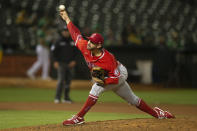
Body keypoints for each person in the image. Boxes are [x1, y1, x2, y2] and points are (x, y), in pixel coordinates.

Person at [59, 6, 175, 126]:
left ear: (98, 45)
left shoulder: (107, 58)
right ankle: (159, 114)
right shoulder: (85, 46)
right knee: (133, 100)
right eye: (89, 40)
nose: (89, 42)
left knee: (96, 87)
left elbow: (115, 77)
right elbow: (75, 34)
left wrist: (102, 80)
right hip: (107, 74)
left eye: (92, 42)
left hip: (119, 74)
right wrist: (67, 19)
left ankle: (79, 118)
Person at [51, 26, 78, 104]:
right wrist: (55, 61)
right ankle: (57, 97)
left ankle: (66, 98)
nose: (65, 32)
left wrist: (74, 61)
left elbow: (77, 53)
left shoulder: (73, 41)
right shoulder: (58, 41)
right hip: (61, 63)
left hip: (70, 64)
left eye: (67, 31)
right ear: (62, 32)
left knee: (68, 81)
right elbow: (53, 52)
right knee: (61, 81)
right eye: (64, 31)